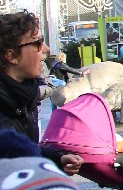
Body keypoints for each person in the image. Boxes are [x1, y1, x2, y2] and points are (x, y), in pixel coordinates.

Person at [0, 12, 82, 175]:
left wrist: (57, 159)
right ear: (11, 55)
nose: (46, 49)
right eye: (37, 43)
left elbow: (25, 151)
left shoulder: (26, 95)